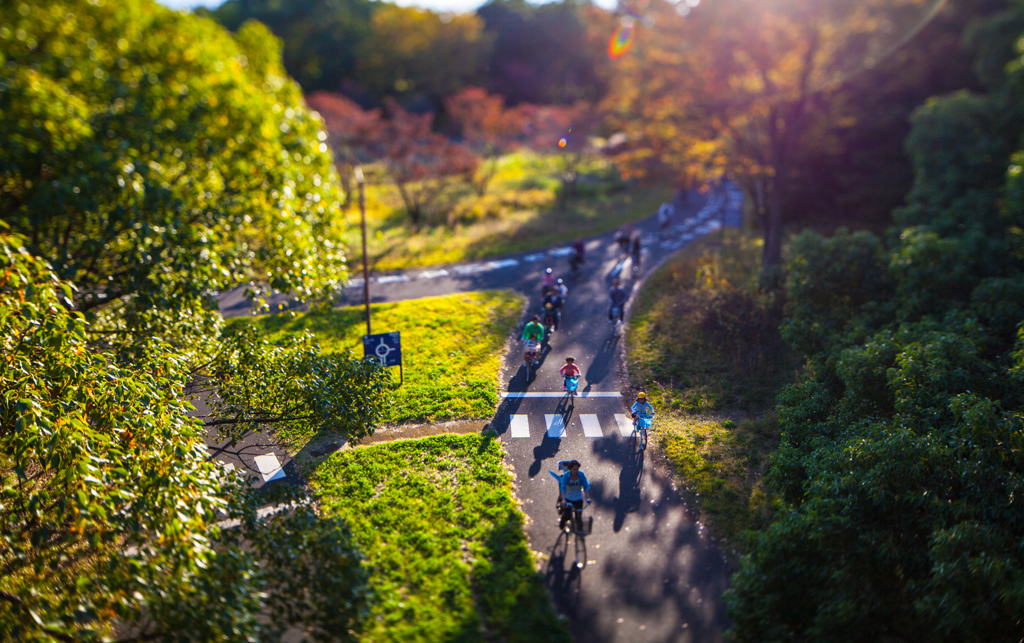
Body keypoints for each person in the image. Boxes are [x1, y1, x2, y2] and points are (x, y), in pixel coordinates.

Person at [557, 460, 591, 534]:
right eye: (574, 469)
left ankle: (578, 530)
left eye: (577, 469)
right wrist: (563, 500)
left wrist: (588, 498)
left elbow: (585, 487)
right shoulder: (566, 476)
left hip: (578, 498)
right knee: (567, 515)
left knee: (578, 516)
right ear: (570, 469)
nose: (576, 471)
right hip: (568, 498)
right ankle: (563, 521)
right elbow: (563, 489)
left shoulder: (581, 475)